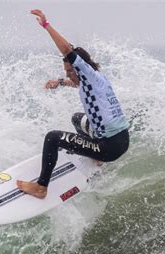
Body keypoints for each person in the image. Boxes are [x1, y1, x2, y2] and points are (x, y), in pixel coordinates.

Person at [16, 9, 130, 199]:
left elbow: (67, 50)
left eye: (70, 71)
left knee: (53, 137)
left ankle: (41, 187)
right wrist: (60, 82)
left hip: (109, 147)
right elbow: (76, 82)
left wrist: (46, 26)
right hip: (121, 139)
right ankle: (96, 158)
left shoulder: (86, 73)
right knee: (78, 118)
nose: (68, 74)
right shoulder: (96, 78)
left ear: (81, 67)